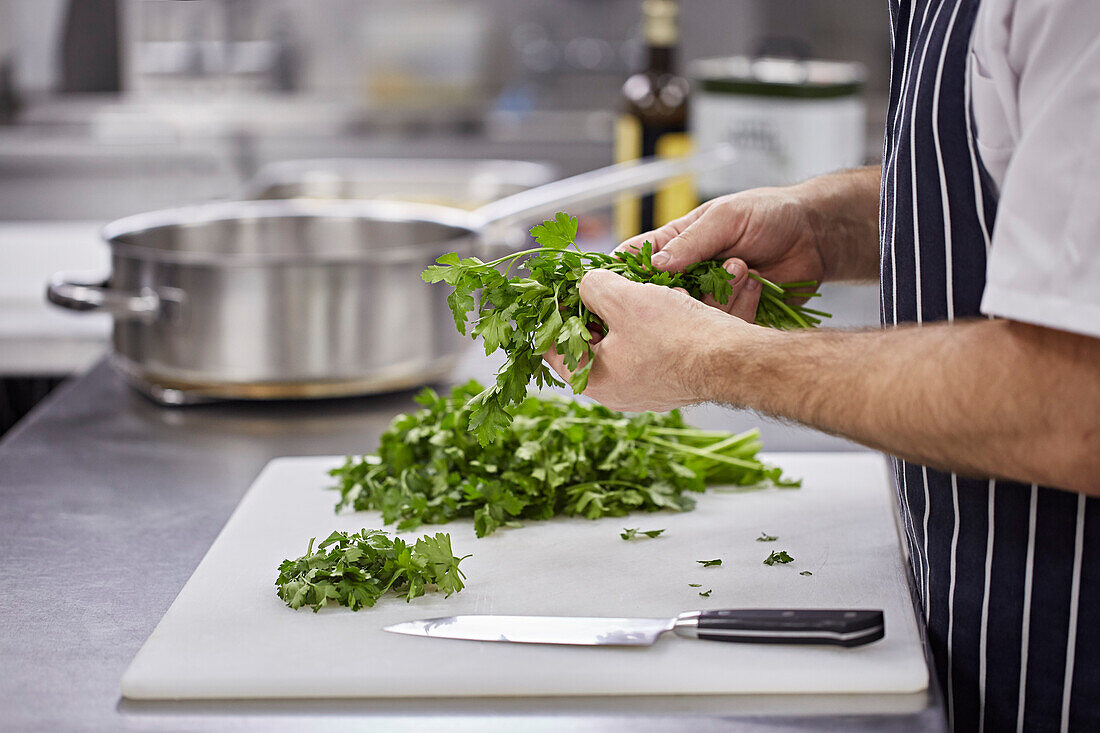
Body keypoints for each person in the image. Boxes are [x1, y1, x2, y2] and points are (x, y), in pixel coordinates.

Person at [545, 0, 1100, 729]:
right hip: (969, 615)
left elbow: (1075, 400)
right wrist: (821, 224)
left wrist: (710, 358)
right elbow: (1019, 180)